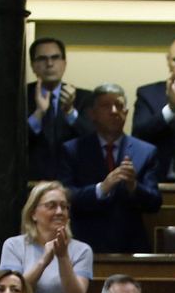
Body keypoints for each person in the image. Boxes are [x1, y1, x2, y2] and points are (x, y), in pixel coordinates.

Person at [57, 84, 162, 256]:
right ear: (92, 114)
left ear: (126, 112)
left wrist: (134, 187)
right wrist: (101, 188)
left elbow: (155, 203)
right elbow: (67, 196)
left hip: (131, 247)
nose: (114, 111)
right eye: (106, 106)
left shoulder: (145, 151)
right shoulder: (72, 150)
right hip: (85, 244)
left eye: (119, 106)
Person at [0, 182, 93, 293]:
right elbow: (14, 291)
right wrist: (43, 262)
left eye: (64, 207)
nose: (59, 212)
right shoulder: (14, 245)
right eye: (51, 206)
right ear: (33, 213)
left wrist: (63, 257)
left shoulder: (82, 250)